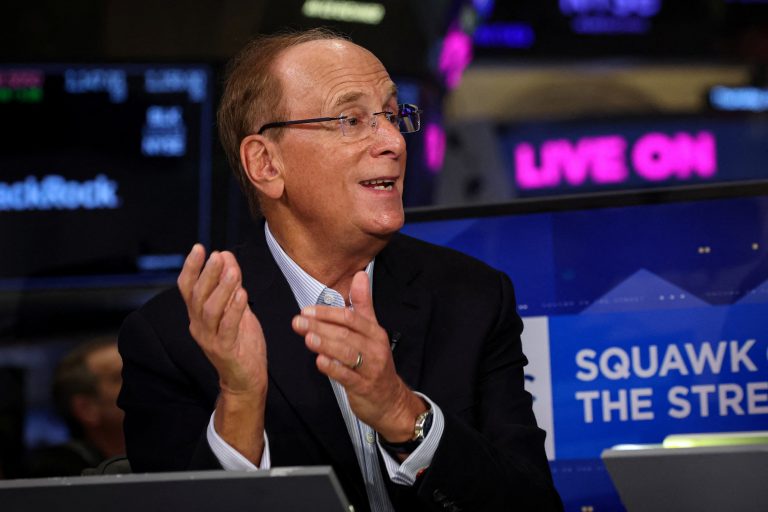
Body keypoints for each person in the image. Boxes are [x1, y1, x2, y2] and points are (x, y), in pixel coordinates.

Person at [118, 28, 562, 511]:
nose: (392, 141)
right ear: (265, 163)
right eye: (351, 119)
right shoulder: (172, 338)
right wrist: (240, 398)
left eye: (393, 116)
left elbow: (532, 505)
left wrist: (401, 412)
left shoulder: (472, 297)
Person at [26, 337, 125, 477]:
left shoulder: (160, 455)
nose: (143, 383)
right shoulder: (58, 475)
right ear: (86, 409)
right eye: (120, 377)